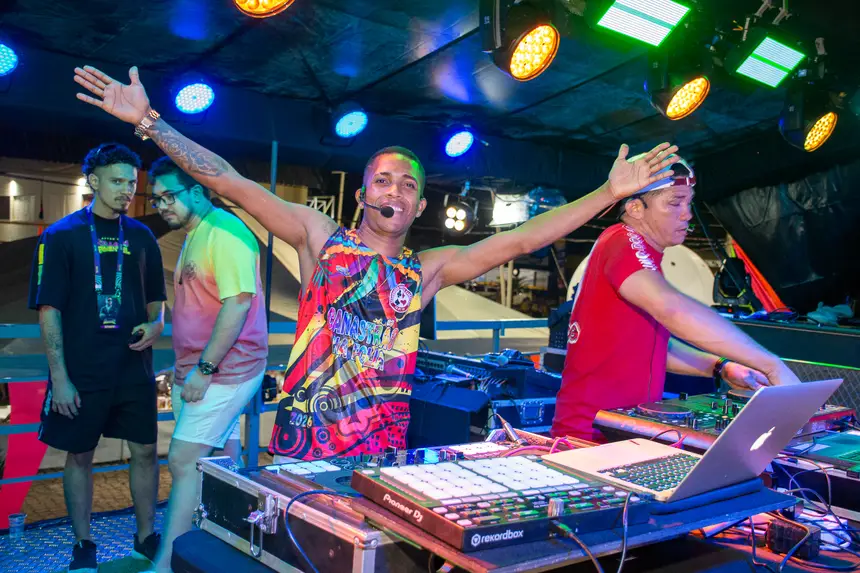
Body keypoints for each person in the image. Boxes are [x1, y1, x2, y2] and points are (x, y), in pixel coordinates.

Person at [73, 64, 680, 463]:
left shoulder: (427, 270)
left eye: (408, 185)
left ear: (419, 205)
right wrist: (149, 123)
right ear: (364, 194)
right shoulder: (321, 238)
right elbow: (229, 181)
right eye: (383, 181)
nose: (395, 191)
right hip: (306, 449)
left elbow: (521, 241)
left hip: (383, 454)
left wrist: (607, 194)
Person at [551, 157, 802, 442]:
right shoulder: (622, 241)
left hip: (622, 430)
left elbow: (655, 348)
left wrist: (721, 366)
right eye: (674, 203)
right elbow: (672, 308)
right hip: (589, 436)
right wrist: (771, 365)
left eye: (688, 203)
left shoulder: (638, 253)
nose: (687, 214)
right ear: (635, 208)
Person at [28, 143, 166, 572]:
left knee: (146, 452)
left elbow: (157, 301)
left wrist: (157, 324)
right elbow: (49, 310)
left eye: (132, 182)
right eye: (117, 181)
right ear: (94, 181)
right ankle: (83, 544)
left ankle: (146, 538)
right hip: (83, 370)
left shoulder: (142, 236)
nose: (127, 190)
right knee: (80, 455)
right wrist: (59, 377)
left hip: (134, 368)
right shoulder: (61, 235)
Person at [146, 157, 268, 572]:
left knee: (184, 461)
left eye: (170, 196)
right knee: (222, 465)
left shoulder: (226, 232)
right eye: (157, 198)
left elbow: (238, 304)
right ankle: (225, 551)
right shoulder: (196, 234)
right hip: (200, 370)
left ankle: (164, 565)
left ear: (197, 191)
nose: (162, 205)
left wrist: (205, 369)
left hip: (225, 371)